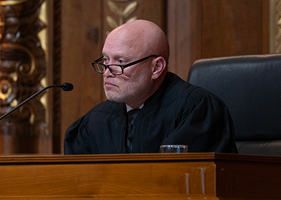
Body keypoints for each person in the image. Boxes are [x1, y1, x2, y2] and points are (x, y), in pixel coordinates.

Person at [64, 19, 237, 154]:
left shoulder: (195, 110)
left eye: (120, 61)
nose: (108, 72)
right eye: (106, 60)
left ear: (156, 68)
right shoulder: (95, 121)